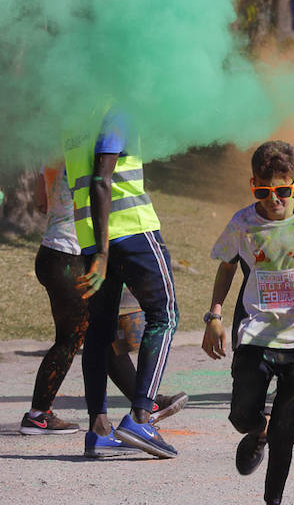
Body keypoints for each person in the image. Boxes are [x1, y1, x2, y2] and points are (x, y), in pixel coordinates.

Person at [202, 140, 294, 505]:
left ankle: (273, 500)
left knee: (287, 433)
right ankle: (256, 429)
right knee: (239, 415)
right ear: (253, 184)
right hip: (256, 333)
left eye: (283, 190)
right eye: (264, 191)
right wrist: (214, 317)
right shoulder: (243, 223)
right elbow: (226, 266)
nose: (274, 199)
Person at [19, 164, 186, 445]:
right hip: (72, 253)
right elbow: (103, 186)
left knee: (93, 333)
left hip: (52, 251)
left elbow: (40, 203)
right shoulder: (91, 156)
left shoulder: (52, 153)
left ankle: (140, 402)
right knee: (74, 338)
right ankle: (38, 413)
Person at [63, 108, 180, 459]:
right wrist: (102, 253)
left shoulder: (72, 119)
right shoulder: (116, 110)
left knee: (99, 330)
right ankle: (142, 416)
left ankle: (99, 429)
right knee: (165, 315)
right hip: (131, 232)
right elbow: (101, 179)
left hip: (90, 236)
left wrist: (97, 250)